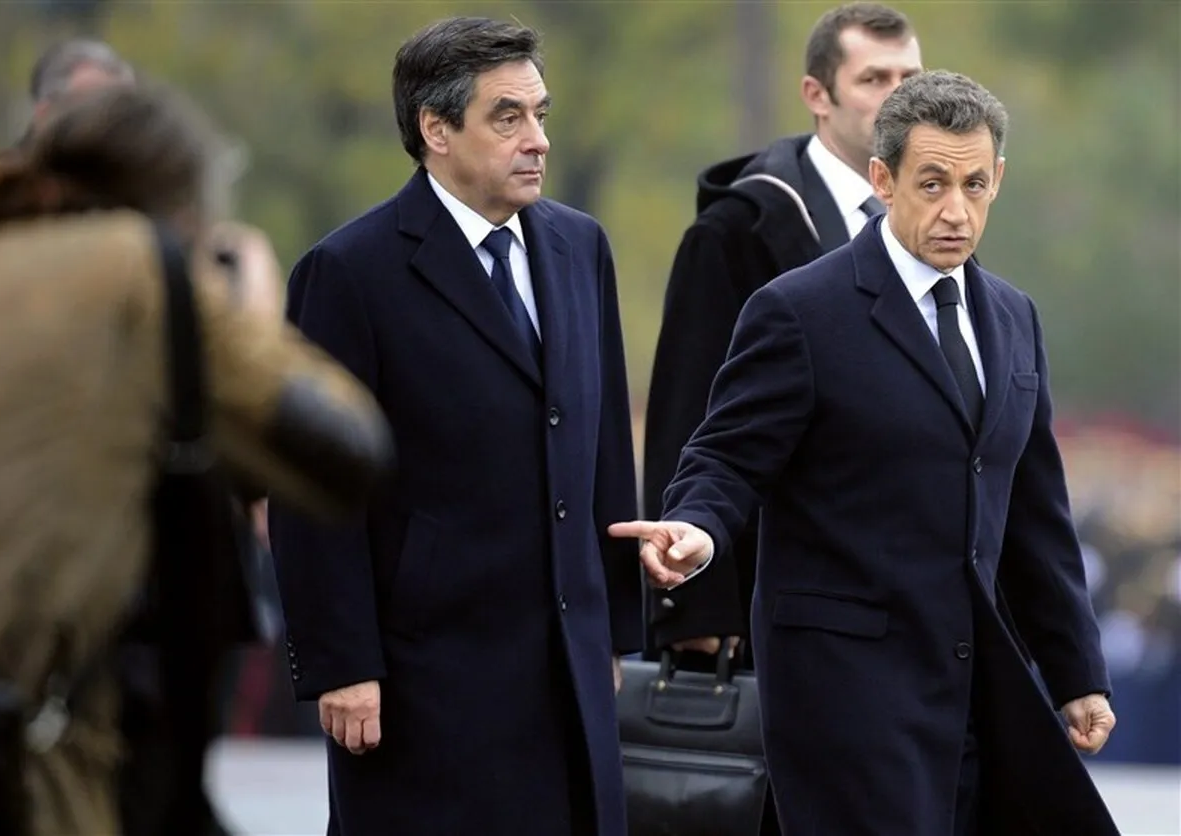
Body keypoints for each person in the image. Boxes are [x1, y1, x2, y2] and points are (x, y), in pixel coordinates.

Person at [611, 70, 1120, 836]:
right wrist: (698, 532)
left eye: (975, 185)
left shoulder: (1014, 317)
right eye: (932, 184)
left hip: (974, 695)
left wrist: (1077, 671)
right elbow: (724, 459)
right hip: (844, 697)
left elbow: (1035, 515)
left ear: (998, 180)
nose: (956, 211)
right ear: (883, 180)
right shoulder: (800, 311)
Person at [0, 83, 392, 836]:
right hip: (38, 763)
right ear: (182, 204)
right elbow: (347, 449)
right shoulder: (142, 271)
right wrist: (228, 302)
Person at [267, 16, 642, 836]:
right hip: (423, 677)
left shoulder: (581, 246)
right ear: (435, 129)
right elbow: (310, 488)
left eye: (540, 113)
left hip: (569, 666)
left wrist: (614, 631)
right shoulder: (348, 273)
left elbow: (604, 445)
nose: (538, 139)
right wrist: (341, 664)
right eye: (508, 117)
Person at [642, 2, 922, 666]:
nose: (898, 98)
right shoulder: (737, 232)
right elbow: (689, 417)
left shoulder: (934, 224)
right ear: (817, 95)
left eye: (909, 78)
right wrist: (694, 607)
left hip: (905, 604)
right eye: (874, 79)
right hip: (778, 602)